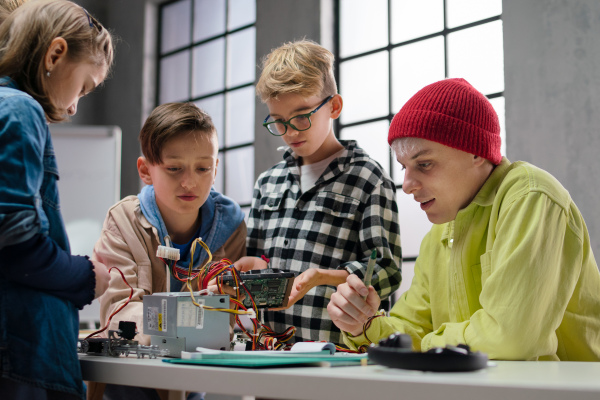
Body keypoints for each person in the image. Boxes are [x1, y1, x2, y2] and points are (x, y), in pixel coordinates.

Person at [328, 78, 600, 361]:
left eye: (424, 164)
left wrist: (427, 342)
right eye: (404, 167)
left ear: (476, 153)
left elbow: (508, 339)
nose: (406, 185)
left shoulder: (531, 196)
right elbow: (410, 329)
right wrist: (364, 325)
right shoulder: (439, 234)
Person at [243, 39, 402, 345]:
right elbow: (257, 262)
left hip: (339, 358)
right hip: (267, 353)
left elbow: (386, 271)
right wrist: (246, 272)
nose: (290, 131)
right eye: (278, 121)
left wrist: (321, 276)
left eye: (302, 116)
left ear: (334, 106)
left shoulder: (369, 179)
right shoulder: (268, 183)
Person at [92, 102, 246, 400]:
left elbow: (228, 321)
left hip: (192, 380)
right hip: (129, 379)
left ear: (215, 169)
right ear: (145, 170)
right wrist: (189, 320)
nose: (189, 182)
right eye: (174, 168)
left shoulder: (232, 227)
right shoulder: (123, 221)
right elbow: (120, 314)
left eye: (203, 168)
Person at [0, 1, 114, 398]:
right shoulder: (18, 109)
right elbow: (17, 246)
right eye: (83, 87)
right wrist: (86, 276)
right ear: (55, 53)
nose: (72, 107)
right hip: (20, 356)